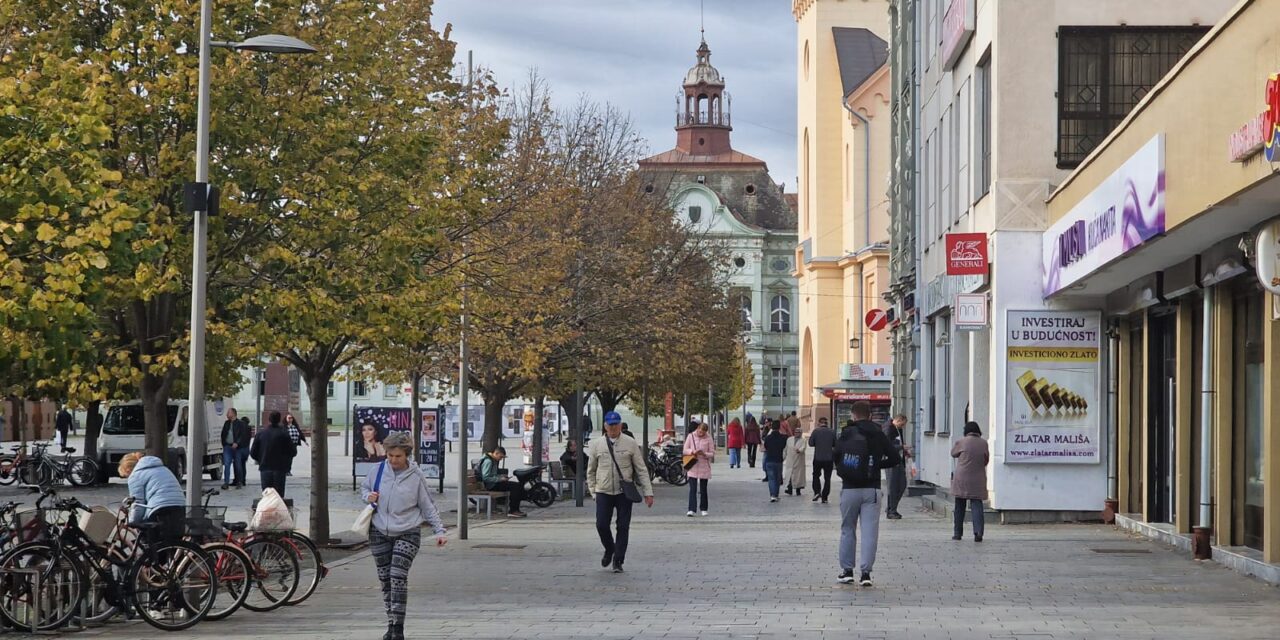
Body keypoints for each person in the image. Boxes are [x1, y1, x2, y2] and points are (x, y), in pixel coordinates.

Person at [361, 432, 447, 640]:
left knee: (397, 576)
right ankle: (391, 623)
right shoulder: (378, 471)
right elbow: (364, 489)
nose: (393, 460)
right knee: (385, 580)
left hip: (408, 532)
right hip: (379, 531)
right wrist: (368, 496)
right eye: (390, 455)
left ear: (406, 455)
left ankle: (398, 628)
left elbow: (427, 505)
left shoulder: (416, 477)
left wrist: (439, 530)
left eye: (398, 456)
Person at [833, 402, 900, 587]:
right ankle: (866, 574)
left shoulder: (846, 433)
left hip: (849, 488)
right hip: (872, 489)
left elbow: (836, 456)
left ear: (853, 415)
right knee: (870, 532)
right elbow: (895, 458)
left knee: (848, 529)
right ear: (870, 415)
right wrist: (876, 465)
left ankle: (847, 571)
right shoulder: (878, 433)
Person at [587, 411, 653, 573]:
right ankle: (610, 549)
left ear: (621, 425)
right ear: (605, 426)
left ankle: (618, 560)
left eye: (616, 424)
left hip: (624, 491)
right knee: (601, 524)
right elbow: (591, 470)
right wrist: (593, 491)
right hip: (603, 490)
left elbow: (641, 469)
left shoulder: (630, 443)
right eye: (610, 424)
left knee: (623, 526)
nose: (613, 427)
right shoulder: (597, 444)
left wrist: (648, 492)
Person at [118, 451, 186, 543]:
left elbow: (138, 503)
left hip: (160, 509)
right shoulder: (162, 468)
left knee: (151, 542)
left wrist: (132, 521)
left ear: (128, 470)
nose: (128, 477)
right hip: (180, 506)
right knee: (171, 543)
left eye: (126, 476)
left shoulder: (136, 475)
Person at [951, 422, 990, 542]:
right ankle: (978, 532)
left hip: (961, 478)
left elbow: (953, 453)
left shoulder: (961, 442)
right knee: (977, 505)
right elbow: (986, 460)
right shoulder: (984, 443)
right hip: (977, 478)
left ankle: (958, 533)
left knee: (959, 506)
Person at [250, 411, 296, 496]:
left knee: (267, 495)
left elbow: (253, 452)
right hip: (280, 468)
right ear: (279, 420)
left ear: (269, 419)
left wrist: (261, 459)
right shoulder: (284, 434)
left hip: (265, 467)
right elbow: (293, 451)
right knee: (278, 496)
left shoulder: (261, 434)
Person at [477, 446, 527, 518]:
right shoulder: (488, 461)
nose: (500, 459)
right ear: (496, 453)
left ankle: (515, 509)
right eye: (500, 457)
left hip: (494, 483)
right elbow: (486, 477)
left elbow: (492, 475)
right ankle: (513, 510)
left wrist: (501, 477)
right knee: (516, 487)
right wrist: (500, 479)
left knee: (517, 486)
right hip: (491, 485)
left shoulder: (492, 460)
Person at [882, 414, 913, 519]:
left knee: (902, 484)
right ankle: (891, 510)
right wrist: (901, 447)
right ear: (898, 420)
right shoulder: (888, 428)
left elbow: (900, 442)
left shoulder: (898, 429)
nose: (903, 427)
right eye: (902, 424)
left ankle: (892, 506)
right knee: (893, 486)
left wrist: (904, 451)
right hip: (890, 461)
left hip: (899, 460)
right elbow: (886, 446)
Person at [683, 419, 715, 516]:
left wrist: (704, 454)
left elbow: (712, 453)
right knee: (692, 488)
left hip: (704, 465)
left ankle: (704, 508)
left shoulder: (709, 438)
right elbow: (685, 450)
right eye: (700, 431)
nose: (701, 434)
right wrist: (692, 451)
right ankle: (691, 509)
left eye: (703, 432)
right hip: (693, 464)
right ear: (698, 428)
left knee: (703, 489)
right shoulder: (691, 436)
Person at [220, 408, 251, 489]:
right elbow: (223, 434)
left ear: (233, 414)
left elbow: (242, 435)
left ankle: (239, 482)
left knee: (238, 464)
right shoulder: (226, 423)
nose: (227, 414)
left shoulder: (240, 424)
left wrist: (237, 443)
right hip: (227, 446)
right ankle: (226, 482)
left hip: (238, 448)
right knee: (227, 464)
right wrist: (224, 444)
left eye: (228, 413)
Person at [809, 416, 836, 504]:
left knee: (816, 475)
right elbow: (835, 444)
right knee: (827, 478)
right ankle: (825, 497)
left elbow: (810, 443)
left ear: (819, 423)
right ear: (826, 423)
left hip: (818, 458)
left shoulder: (816, 431)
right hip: (829, 458)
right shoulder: (832, 432)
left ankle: (817, 492)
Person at [762, 421, 788, 502]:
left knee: (771, 479)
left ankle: (772, 495)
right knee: (777, 479)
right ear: (779, 427)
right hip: (778, 460)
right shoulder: (783, 438)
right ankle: (776, 495)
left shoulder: (768, 438)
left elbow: (765, 447)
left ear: (772, 427)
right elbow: (784, 446)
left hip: (769, 460)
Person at [784, 426, 807, 496]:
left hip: (799, 460)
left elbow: (803, 447)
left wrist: (799, 450)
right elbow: (785, 449)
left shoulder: (803, 440)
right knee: (790, 475)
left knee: (798, 476)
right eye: (796, 432)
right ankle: (789, 489)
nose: (797, 433)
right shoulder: (789, 439)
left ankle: (798, 490)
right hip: (790, 459)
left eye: (798, 432)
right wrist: (783, 457)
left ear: (801, 433)